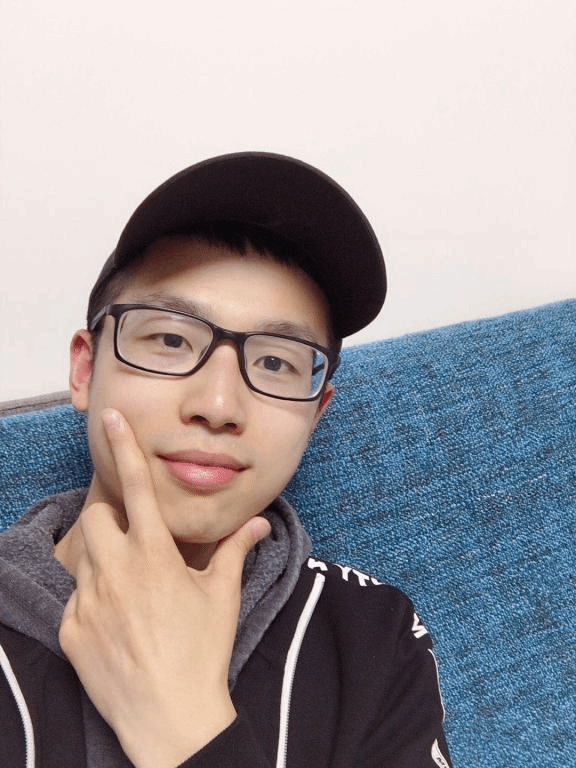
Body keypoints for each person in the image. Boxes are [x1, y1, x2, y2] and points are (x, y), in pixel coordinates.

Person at [0, 152, 452, 767]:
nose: (217, 406)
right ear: (85, 368)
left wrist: (184, 727)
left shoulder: (372, 635)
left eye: (275, 362)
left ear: (317, 412)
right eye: (169, 339)